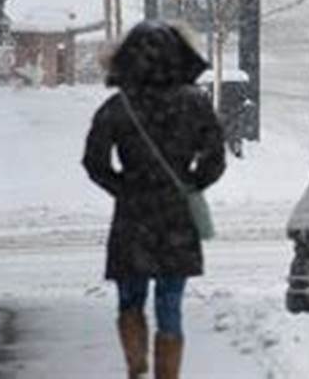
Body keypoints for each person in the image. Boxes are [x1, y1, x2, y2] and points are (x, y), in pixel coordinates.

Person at [83, 21, 226, 379]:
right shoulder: (195, 104)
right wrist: (190, 183)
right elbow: (215, 158)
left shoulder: (118, 107)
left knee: (130, 299)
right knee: (170, 302)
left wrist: (124, 187)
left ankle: (136, 365)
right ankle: (167, 374)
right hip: (176, 216)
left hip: (132, 216)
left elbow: (94, 162)